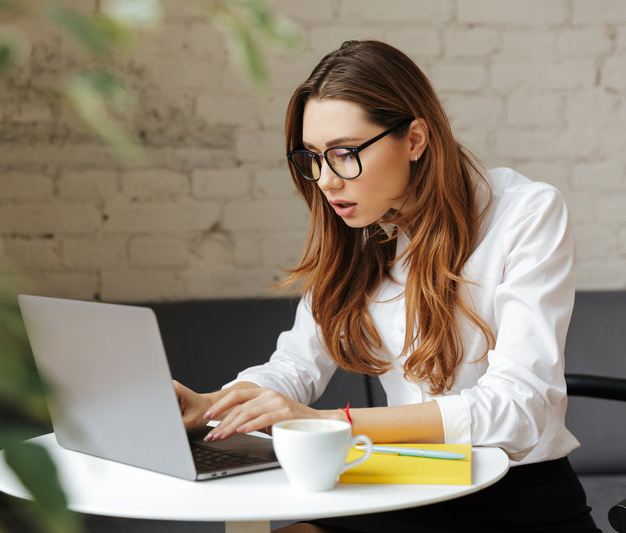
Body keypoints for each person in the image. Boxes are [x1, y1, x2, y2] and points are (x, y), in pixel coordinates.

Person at [173, 40, 599, 532]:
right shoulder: (361, 227)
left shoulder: (526, 213)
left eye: (344, 154)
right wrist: (214, 407)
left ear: (415, 139)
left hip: (511, 494)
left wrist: (331, 424)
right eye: (312, 157)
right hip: (404, 479)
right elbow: (294, 365)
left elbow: (517, 410)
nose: (326, 181)